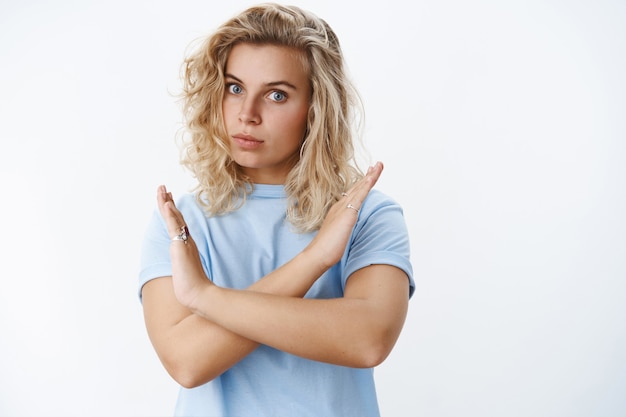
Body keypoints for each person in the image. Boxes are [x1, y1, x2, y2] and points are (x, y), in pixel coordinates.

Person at [139, 3, 415, 416]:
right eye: (234, 88)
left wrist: (204, 298)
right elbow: (187, 361)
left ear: (316, 107)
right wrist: (315, 259)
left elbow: (368, 339)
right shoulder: (181, 222)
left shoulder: (367, 215)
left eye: (276, 94)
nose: (247, 114)